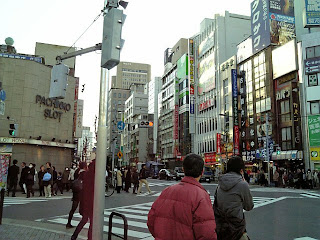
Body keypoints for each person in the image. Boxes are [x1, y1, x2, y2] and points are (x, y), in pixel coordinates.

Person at [147, 153, 217, 240]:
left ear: (183, 169)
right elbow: (207, 233)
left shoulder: (167, 191)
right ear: (202, 172)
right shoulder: (201, 196)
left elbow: (151, 220)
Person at [214, 156, 254, 240]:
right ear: (241, 170)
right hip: (237, 228)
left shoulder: (219, 185)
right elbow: (249, 206)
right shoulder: (242, 184)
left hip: (221, 228)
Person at [71, 161, 95, 240]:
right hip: (91, 202)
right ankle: (89, 238)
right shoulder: (92, 176)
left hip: (84, 201)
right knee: (92, 221)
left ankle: (74, 236)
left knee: (84, 219)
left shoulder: (85, 174)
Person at [66, 162, 87, 229]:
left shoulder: (76, 171)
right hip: (82, 192)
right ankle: (84, 220)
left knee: (73, 208)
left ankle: (68, 223)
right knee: (83, 208)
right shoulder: (85, 173)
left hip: (75, 192)